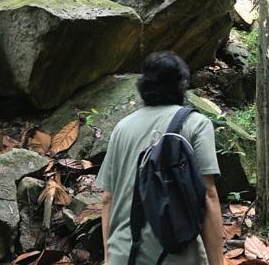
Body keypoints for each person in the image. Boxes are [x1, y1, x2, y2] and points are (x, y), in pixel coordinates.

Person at [96, 51, 223, 265]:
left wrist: (109, 259)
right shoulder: (196, 124)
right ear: (182, 85)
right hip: (176, 257)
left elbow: (108, 198)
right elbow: (208, 196)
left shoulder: (122, 128)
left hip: (123, 256)